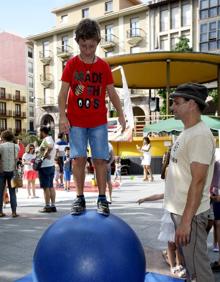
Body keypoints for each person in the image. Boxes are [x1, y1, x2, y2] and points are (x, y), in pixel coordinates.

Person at [58, 18, 126, 216]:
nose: (88, 50)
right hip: (76, 122)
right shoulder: (71, 65)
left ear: (98, 42)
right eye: (83, 45)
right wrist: (62, 117)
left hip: (98, 122)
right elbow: (63, 93)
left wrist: (121, 115)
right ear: (78, 42)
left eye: (92, 46)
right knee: (78, 159)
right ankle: (79, 198)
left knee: (100, 160)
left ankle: (102, 198)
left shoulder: (103, 67)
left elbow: (113, 93)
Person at [164, 83, 215, 282]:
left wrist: (186, 222)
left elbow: (198, 181)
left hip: (190, 216)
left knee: (199, 272)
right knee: (191, 269)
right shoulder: (188, 132)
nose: (172, 107)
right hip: (182, 213)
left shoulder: (200, 135)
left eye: (177, 103)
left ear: (192, 104)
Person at [137, 193, 186, 278]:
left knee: (178, 245)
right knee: (171, 245)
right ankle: (172, 266)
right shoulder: (170, 189)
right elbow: (157, 196)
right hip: (169, 220)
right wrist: (144, 199)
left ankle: (179, 265)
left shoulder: (180, 189)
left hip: (179, 219)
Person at [37, 126, 57, 213]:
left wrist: (43, 156)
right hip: (51, 165)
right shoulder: (50, 139)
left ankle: (47, 206)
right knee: (50, 186)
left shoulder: (47, 139)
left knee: (46, 187)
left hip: (45, 166)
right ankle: (52, 205)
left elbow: (50, 147)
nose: (38, 134)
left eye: (38, 132)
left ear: (42, 132)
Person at [0, 130, 19, 218]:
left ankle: (0, 212)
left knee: (0, 192)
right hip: (12, 171)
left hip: (2, 171)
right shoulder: (16, 146)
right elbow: (16, 159)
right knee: (12, 192)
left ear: (3, 137)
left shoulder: (1, 146)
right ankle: (14, 212)